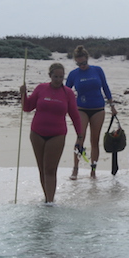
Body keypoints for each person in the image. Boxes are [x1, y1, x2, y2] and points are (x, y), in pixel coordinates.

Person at [20, 62, 83, 205]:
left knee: (50, 169)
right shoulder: (41, 88)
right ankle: (46, 198)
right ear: (50, 76)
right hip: (37, 133)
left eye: (61, 77)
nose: (58, 80)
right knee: (42, 169)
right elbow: (27, 108)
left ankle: (50, 202)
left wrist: (80, 135)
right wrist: (23, 94)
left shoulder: (68, 93)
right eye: (55, 76)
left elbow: (75, 115)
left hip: (57, 134)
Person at [65, 45, 118, 179]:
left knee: (95, 140)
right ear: (76, 62)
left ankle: (93, 170)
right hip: (81, 109)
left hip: (98, 109)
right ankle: (75, 169)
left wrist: (112, 105)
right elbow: (66, 92)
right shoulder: (73, 74)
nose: (82, 65)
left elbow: (105, 87)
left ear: (87, 59)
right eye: (79, 63)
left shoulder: (97, 70)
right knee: (80, 138)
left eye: (84, 63)